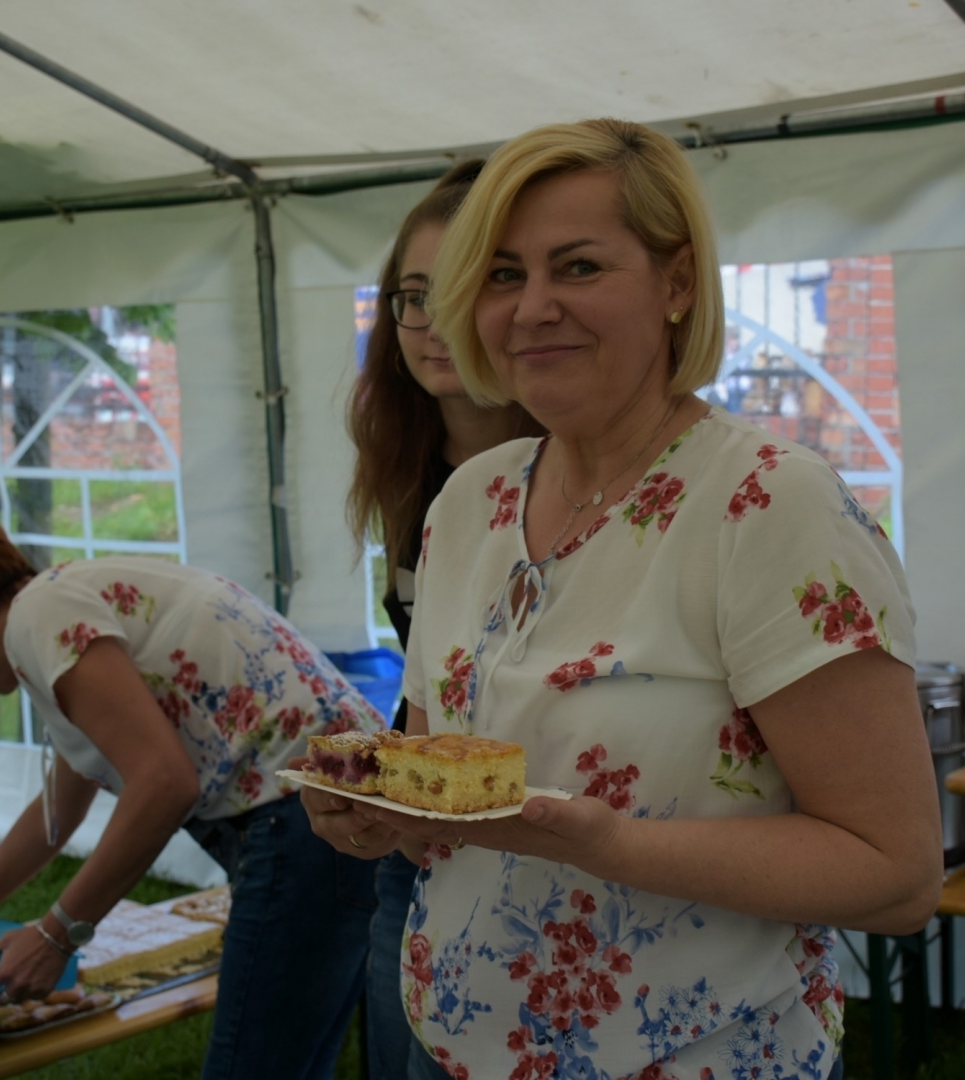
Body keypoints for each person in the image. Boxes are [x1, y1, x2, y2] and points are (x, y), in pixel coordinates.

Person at [302, 118, 942, 1080]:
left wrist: (607, 843)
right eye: (504, 275)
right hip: (451, 1045)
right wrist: (387, 810)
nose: (532, 309)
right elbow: (447, 769)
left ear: (677, 284)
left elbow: (893, 874)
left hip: (694, 1056)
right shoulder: (470, 502)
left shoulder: (766, 503)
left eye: (579, 267)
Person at [0, 512, 377, 1080]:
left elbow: (164, 782)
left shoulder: (42, 619)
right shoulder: (60, 603)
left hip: (303, 820)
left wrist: (56, 933)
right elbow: (56, 812)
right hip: (337, 811)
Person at [344, 160, 544, 1079]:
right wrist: (376, 783)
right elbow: (432, 678)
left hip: (552, 835)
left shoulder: (574, 462)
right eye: (406, 296)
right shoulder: (403, 457)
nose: (424, 323)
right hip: (428, 836)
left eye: (451, 289)